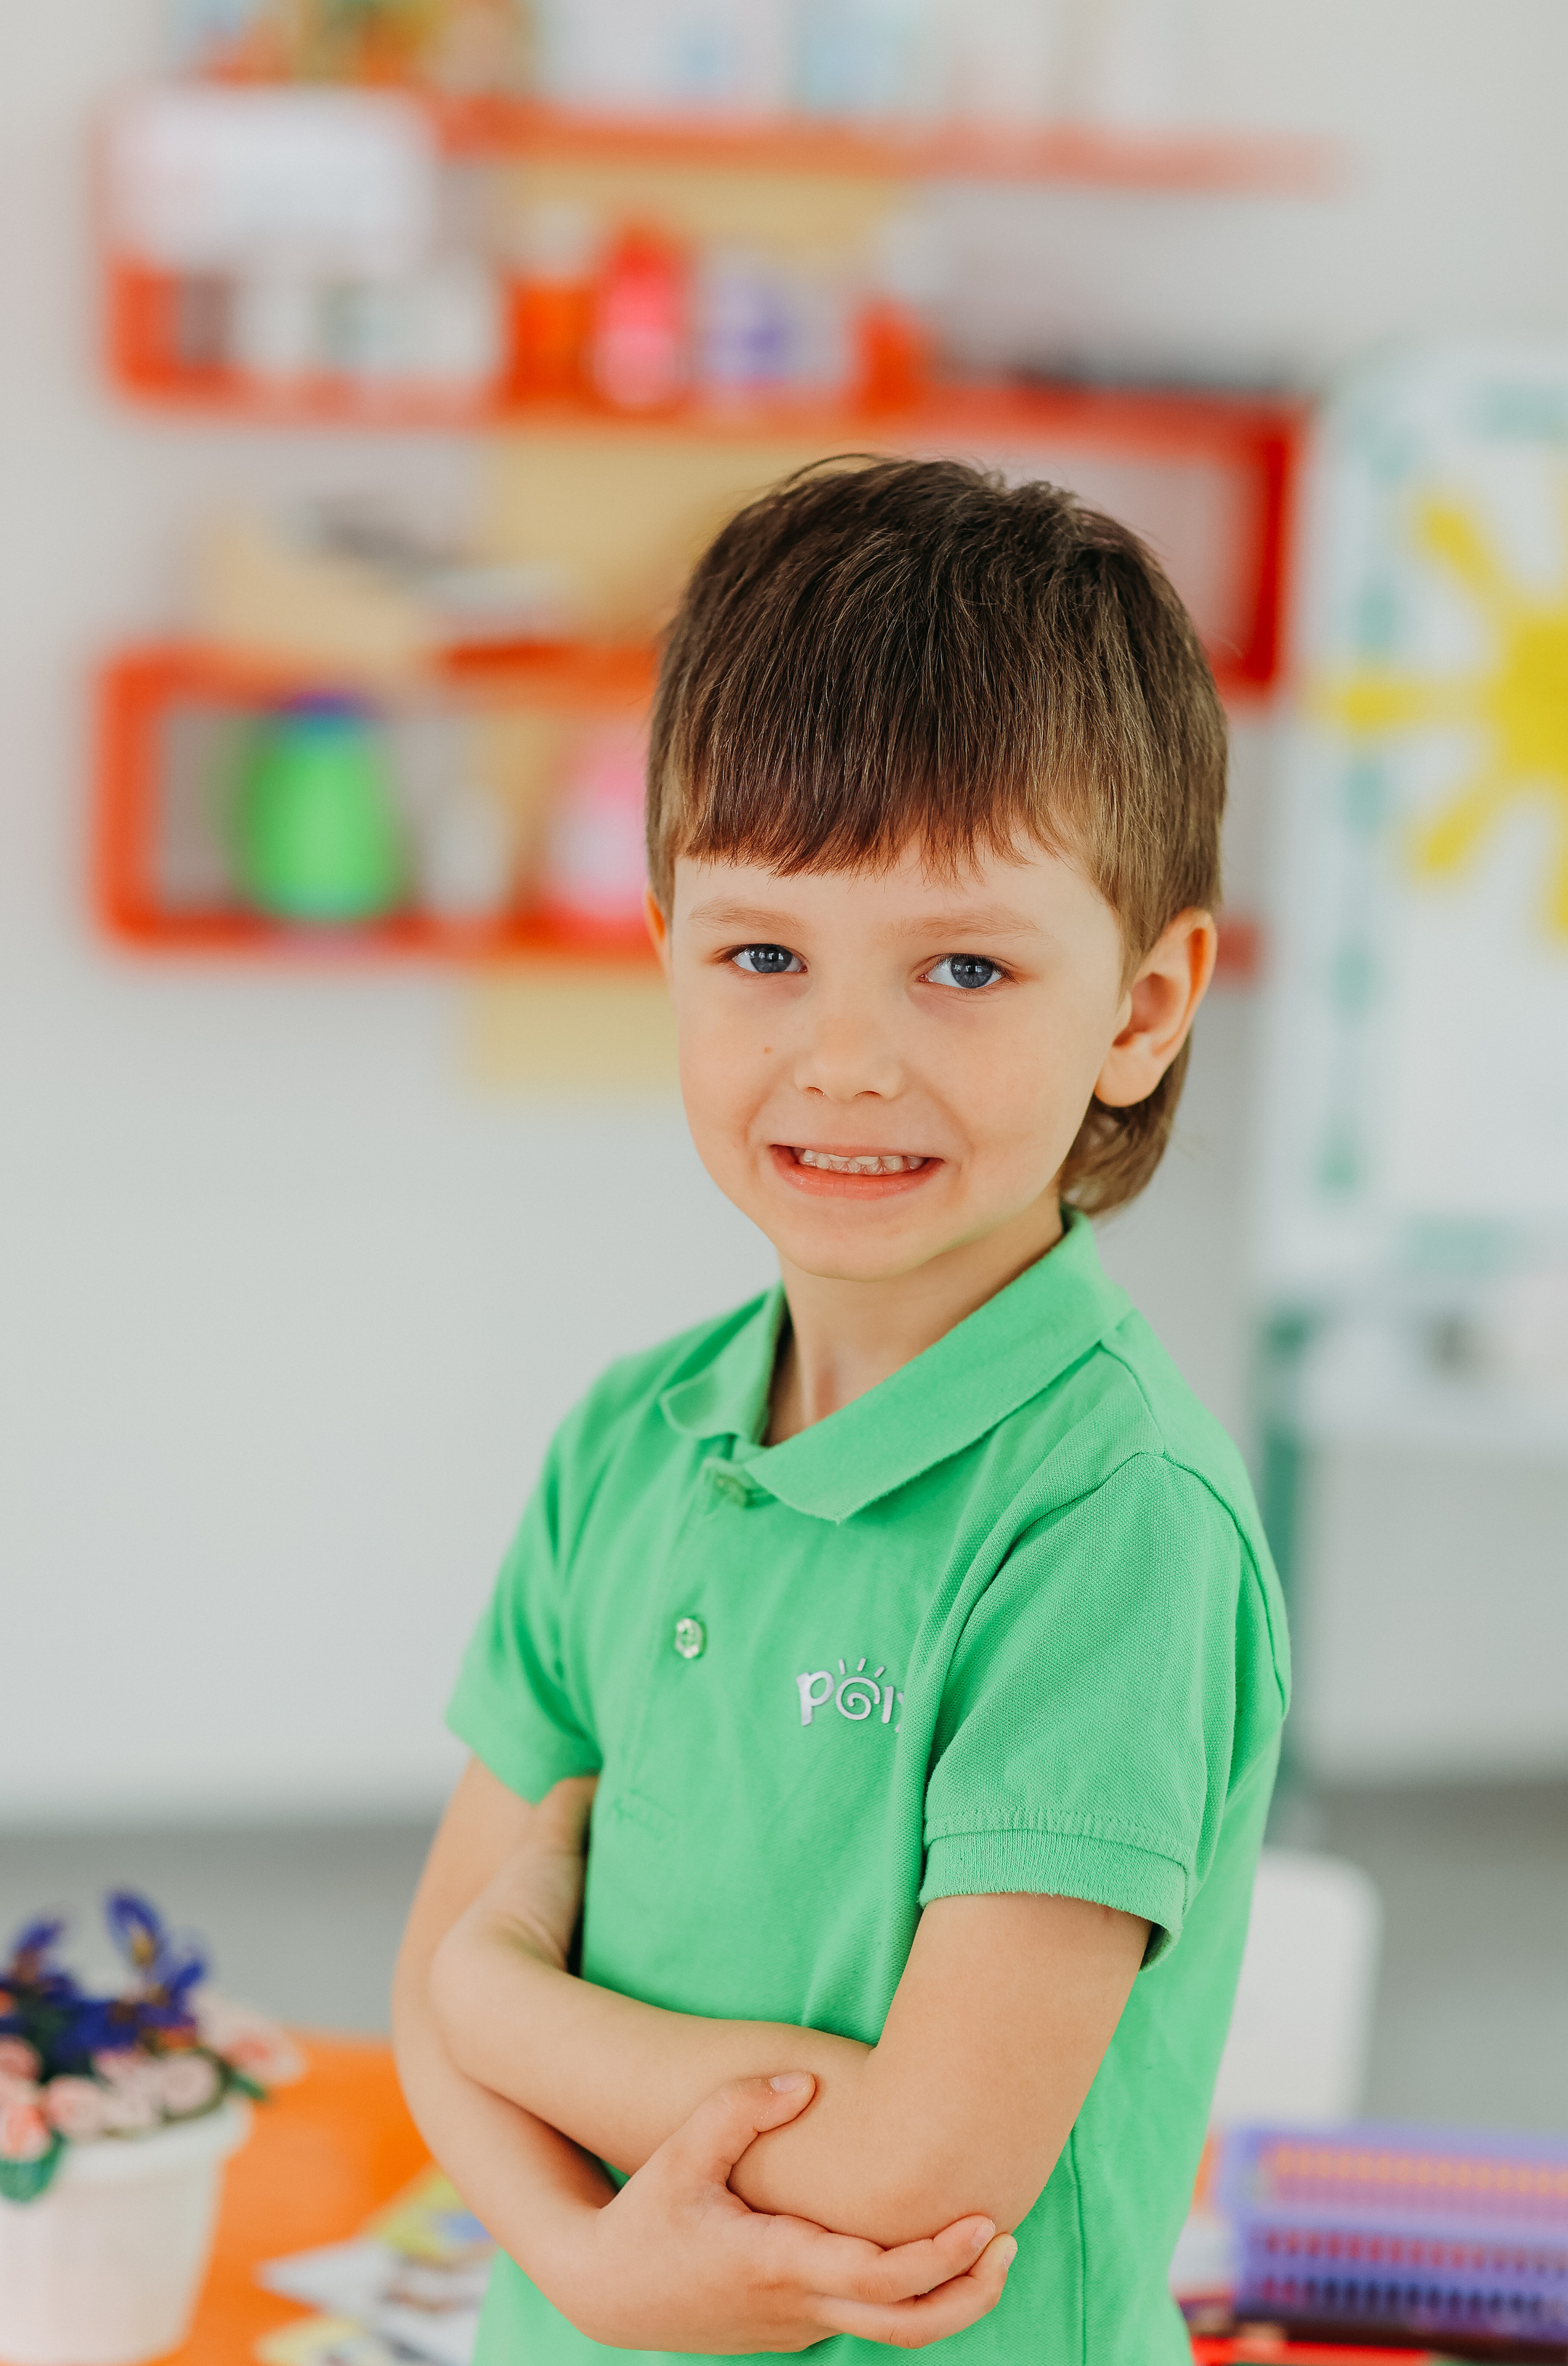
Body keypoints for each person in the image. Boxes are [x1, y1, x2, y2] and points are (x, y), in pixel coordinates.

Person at [392, 457, 1289, 2366]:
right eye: (764, 955)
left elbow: (909, 2170)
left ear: (1143, 1008)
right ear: (667, 948)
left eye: (964, 966)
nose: (847, 1057)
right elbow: (420, 2002)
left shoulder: (1116, 1521)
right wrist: (592, 2265)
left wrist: (504, 2001)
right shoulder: (627, 1442)